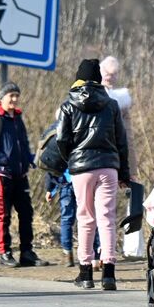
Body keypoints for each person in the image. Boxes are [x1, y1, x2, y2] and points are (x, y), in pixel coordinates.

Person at [57, 58, 131, 291]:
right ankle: (109, 273)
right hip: (108, 166)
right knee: (106, 219)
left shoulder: (68, 105)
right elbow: (122, 141)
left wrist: (71, 159)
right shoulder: (111, 105)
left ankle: (85, 272)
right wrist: (124, 172)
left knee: (85, 217)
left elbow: (61, 139)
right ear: (99, 79)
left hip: (81, 169)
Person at [0, 81, 43, 268]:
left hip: (20, 175)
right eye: (11, 96)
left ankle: (27, 252)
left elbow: (23, 144)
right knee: (3, 214)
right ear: (2, 98)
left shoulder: (18, 119)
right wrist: (4, 159)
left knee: (26, 213)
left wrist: (29, 158)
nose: (14, 99)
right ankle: (4, 252)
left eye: (16, 95)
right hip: (2, 175)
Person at [101, 56, 141, 258]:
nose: (111, 77)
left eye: (114, 73)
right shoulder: (91, 96)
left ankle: (104, 249)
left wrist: (132, 170)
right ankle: (98, 250)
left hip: (112, 161)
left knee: (108, 207)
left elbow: (129, 138)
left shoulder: (122, 101)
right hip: (98, 160)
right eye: (108, 72)